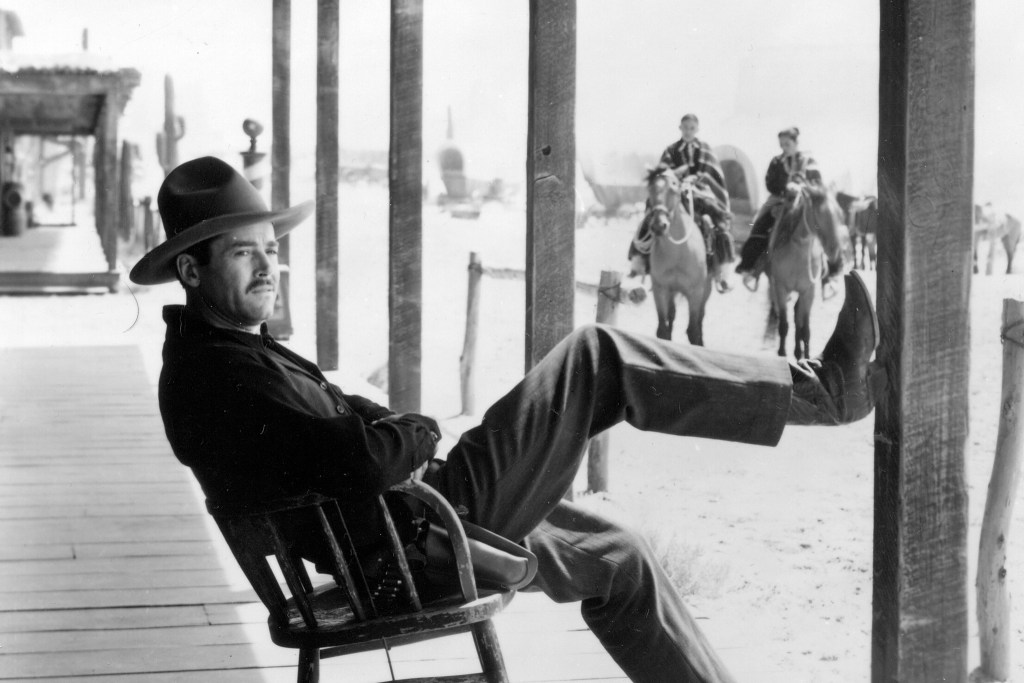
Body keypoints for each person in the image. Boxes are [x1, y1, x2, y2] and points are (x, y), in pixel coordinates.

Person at [131, 156, 883, 683]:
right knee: (596, 356)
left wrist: (389, 433)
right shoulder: (219, 373)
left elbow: (349, 427)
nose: (268, 267)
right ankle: (822, 391)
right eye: (244, 254)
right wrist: (419, 431)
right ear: (191, 270)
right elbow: (361, 454)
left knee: (617, 554)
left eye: (271, 250)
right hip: (417, 541)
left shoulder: (226, 353)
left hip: (401, 534)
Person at [629, 114, 735, 288]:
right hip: (674, 190)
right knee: (653, 212)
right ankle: (638, 261)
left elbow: (709, 172)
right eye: (685, 127)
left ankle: (722, 271)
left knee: (718, 221)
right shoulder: (671, 150)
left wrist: (694, 179)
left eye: (692, 128)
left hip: (699, 191)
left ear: (697, 129)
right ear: (680, 128)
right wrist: (675, 179)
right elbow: (662, 173)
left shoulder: (705, 149)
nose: (688, 131)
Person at [734, 126, 845, 290]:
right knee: (761, 223)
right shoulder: (776, 161)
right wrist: (785, 188)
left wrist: (802, 187)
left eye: (787, 144)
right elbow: (770, 182)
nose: (784, 148)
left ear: (796, 143)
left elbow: (817, 182)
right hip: (780, 200)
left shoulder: (809, 161)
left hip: (805, 202)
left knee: (825, 225)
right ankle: (750, 266)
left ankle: (831, 273)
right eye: (782, 145)